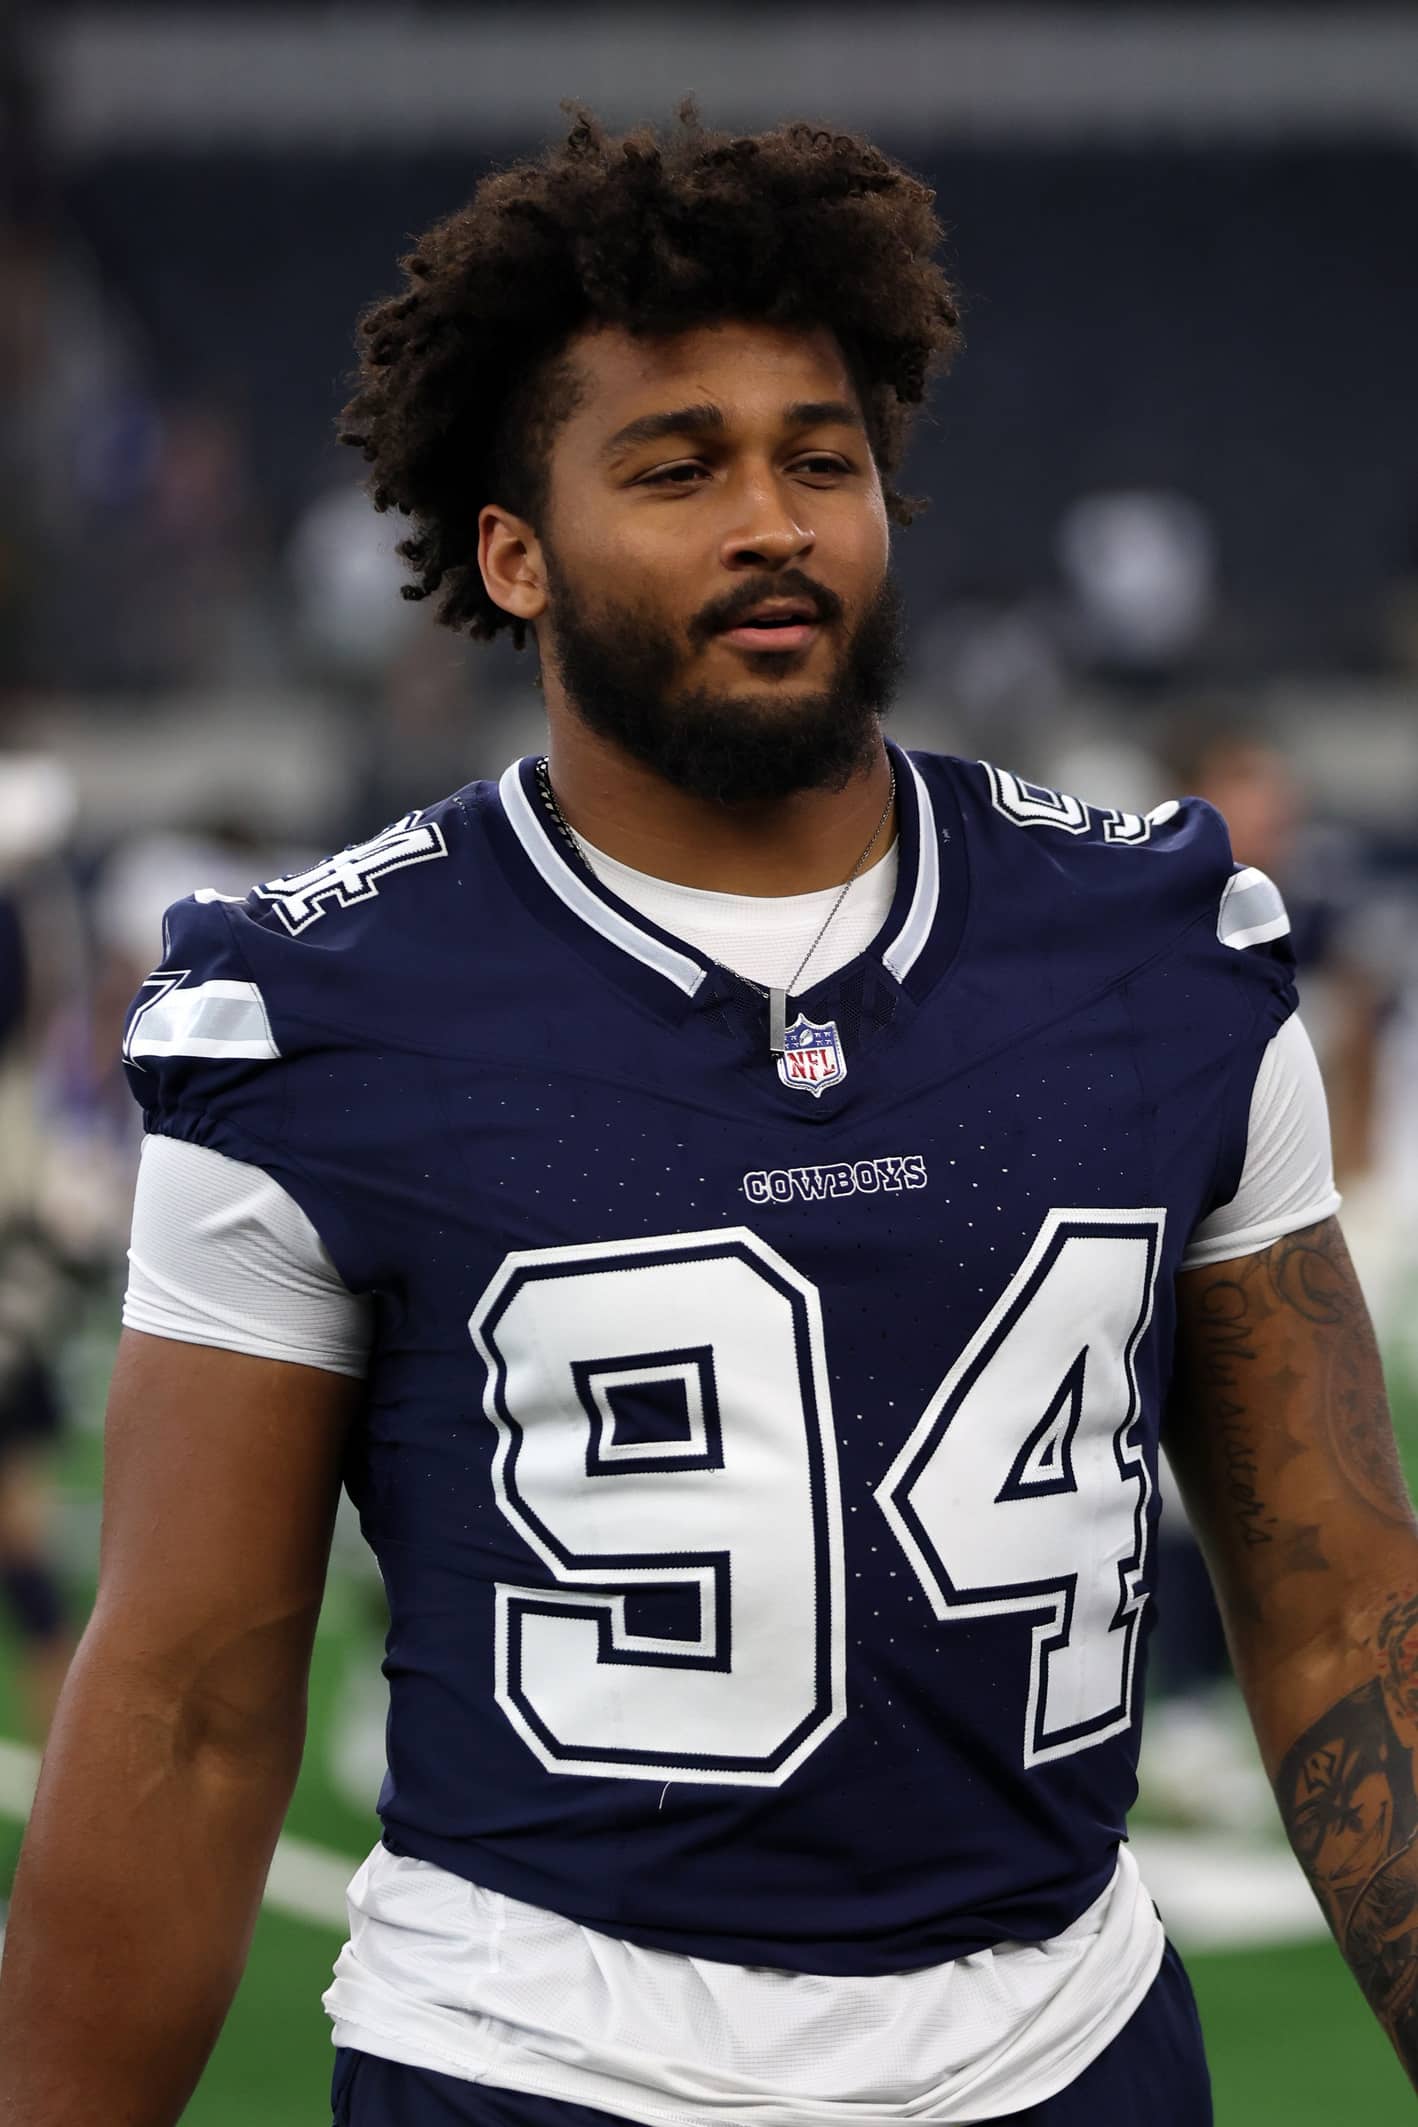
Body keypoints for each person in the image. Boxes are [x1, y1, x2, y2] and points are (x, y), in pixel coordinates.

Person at [0, 107, 1412, 2126]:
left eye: (820, 460)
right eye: (677, 467)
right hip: (540, 2055)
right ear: (513, 552)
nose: (773, 518)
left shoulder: (1157, 948)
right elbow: (196, 1701)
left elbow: (1344, 1600)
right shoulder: (317, 1009)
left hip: (1063, 2044)